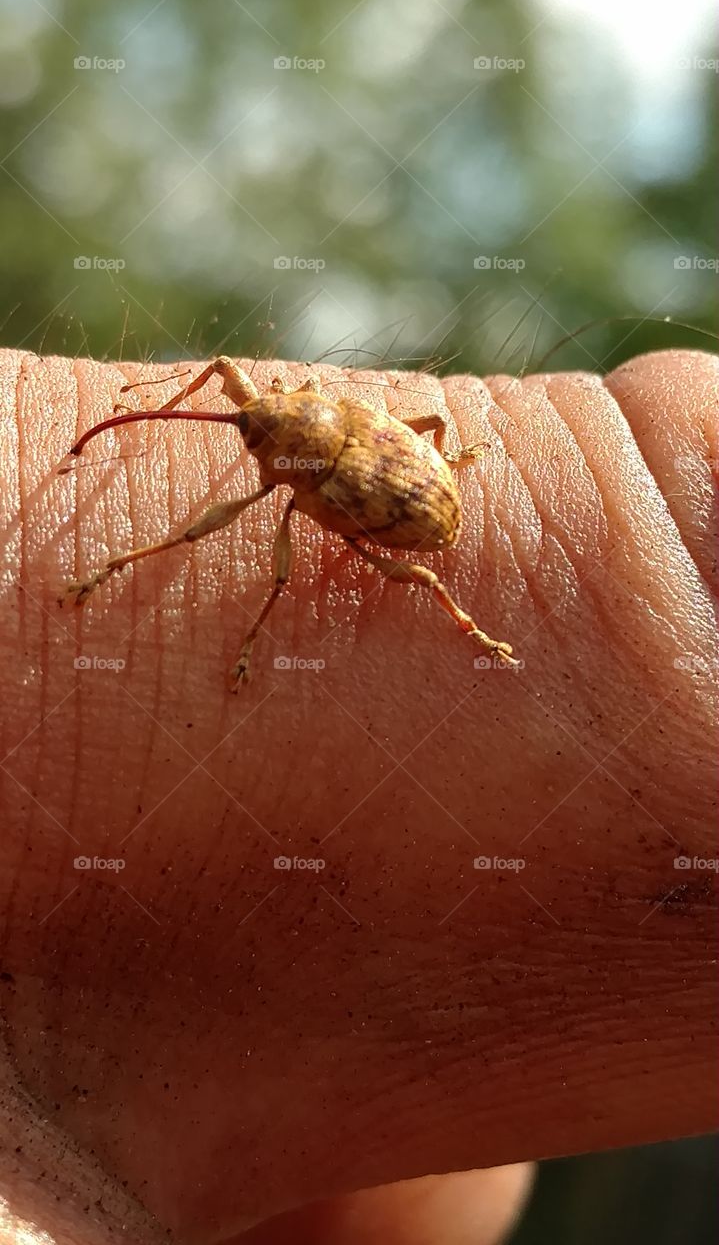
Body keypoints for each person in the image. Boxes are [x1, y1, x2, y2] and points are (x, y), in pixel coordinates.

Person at [0, 348, 715, 1244]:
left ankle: (463, 621)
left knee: (283, 571)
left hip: (406, 505)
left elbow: (279, 567)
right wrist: (141, 406)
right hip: (388, 467)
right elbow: (229, 375)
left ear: (294, 439)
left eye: (256, 429)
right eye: (251, 428)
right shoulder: (309, 441)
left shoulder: (310, 489)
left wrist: (257, 635)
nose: (243, 426)